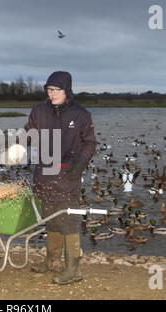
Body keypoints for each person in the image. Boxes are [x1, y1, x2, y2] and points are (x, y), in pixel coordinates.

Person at [24, 71, 96, 285]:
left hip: (67, 175)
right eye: (49, 89)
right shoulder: (39, 110)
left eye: (56, 90)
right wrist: (19, 145)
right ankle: (52, 261)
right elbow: (29, 133)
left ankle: (73, 270)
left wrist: (78, 166)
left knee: (67, 221)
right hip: (44, 174)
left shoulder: (81, 115)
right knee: (50, 219)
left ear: (67, 91)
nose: (52, 94)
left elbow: (90, 144)